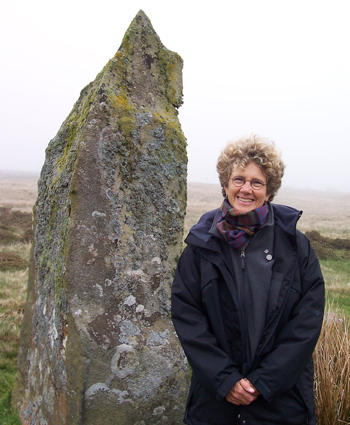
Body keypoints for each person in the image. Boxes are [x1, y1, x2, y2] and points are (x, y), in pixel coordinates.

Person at [171, 135, 325, 425]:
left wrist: (264, 382)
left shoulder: (296, 247)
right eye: (239, 179)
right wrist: (225, 379)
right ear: (226, 184)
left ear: (269, 192)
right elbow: (187, 316)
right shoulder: (200, 248)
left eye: (257, 182)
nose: (246, 189)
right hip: (215, 407)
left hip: (281, 405)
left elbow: (308, 320)